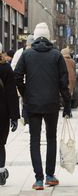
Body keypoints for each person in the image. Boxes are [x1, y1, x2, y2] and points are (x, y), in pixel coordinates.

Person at [14, 22, 71, 190]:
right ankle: (50, 175)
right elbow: (64, 81)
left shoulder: (27, 54)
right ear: (48, 36)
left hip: (33, 103)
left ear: (35, 35)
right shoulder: (56, 55)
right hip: (52, 103)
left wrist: (25, 93)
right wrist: (67, 103)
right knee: (51, 139)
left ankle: (38, 179)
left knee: (34, 140)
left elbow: (17, 76)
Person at [0, 42, 20, 186]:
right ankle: (1, 173)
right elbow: (11, 94)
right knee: (0, 144)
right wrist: (14, 117)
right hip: (2, 113)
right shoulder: (6, 68)